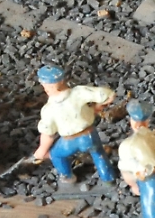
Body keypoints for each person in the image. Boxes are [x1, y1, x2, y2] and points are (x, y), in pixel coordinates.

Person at [29, 64, 117, 196]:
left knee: (56, 155)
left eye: (46, 85)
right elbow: (107, 94)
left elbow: (48, 134)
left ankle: (68, 178)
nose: (45, 88)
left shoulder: (49, 109)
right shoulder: (79, 92)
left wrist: (41, 150)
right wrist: (97, 108)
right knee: (98, 153)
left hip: (71, 140)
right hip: (90, 135)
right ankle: (108, 179)